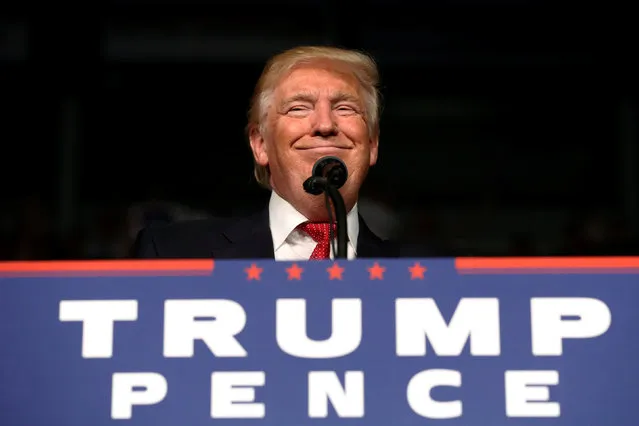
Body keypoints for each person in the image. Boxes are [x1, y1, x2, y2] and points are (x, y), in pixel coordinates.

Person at [132, 45, 399, 260]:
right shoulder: (172, 253)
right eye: (298, 108)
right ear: (260, 145)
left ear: (373, 144)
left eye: (345, 108)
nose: (325, 125)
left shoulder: (425, 275)